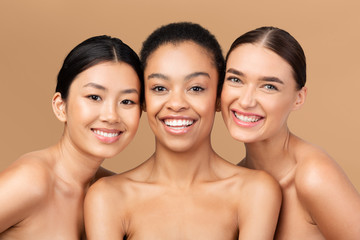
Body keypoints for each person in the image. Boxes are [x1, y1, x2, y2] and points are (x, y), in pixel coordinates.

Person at [84, 22, 281, 240]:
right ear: (144, 101)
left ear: (218, 97)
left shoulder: (255, 191)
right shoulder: (108, 197)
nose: (176, 103)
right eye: (160, 88)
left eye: (196, 88)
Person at [221, 26, 360, 240]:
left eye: (269, 86)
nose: (246, 101)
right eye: (235, 80)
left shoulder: (314, 178)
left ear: (299, 98)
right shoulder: (237, 183)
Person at [0, 35, 143, 240]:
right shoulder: (31, 181)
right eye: (94, 97)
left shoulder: (114, 191)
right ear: (61, 107)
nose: (111, 116)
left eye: (127, 101)